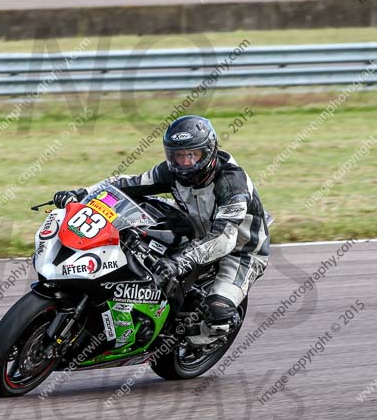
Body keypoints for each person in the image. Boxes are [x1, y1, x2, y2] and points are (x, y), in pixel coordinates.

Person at [53, 115, 269, 335]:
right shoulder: (172, 171)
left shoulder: (232, 184)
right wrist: (81, 194)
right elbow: (127, 184)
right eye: (177, 156)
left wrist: (179, 262)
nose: (184, 163)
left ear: (208, 152)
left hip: (239, 251)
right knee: (135, 232)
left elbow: (224, 239)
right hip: (194, 230)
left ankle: (192, 336)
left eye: (192, 155)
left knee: (218, 316)